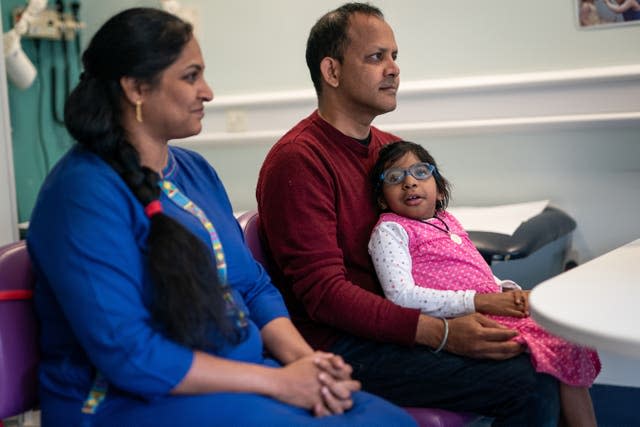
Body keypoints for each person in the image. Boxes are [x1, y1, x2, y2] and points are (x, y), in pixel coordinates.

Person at [26, 8, 416, 427]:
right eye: (191, 76)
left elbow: (252, 286)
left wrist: (308, 363)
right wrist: (280, 384)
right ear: (137, 88)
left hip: (240, 381)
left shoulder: (195, 172)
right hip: (126, 402)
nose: (208, 92)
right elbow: (130, 354)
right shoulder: (83, 194)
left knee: (385, 419)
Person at [256, 3, 561, 426]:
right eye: (376, 57)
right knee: (528, 379)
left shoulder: (390, 150)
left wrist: (484, 299)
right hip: (343, 343)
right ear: (332, 71)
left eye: (395, 56)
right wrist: (444, 333)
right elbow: (325, 295)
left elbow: (434, 245)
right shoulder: (299, 161)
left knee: (544, 347)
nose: (393, 69)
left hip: (405, 321)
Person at [369, 140, 601, 427]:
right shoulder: (391, 230)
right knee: (560, 346)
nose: (409, 183)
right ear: (382, 199)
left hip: (490, 307)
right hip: (461, 321)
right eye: (394, 178)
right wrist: (476, 300)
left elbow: (476, 268)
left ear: (440, 189)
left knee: (566, 338)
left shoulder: (447, 220)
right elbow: (401, 296)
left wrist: (507, 290)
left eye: (420, 172)